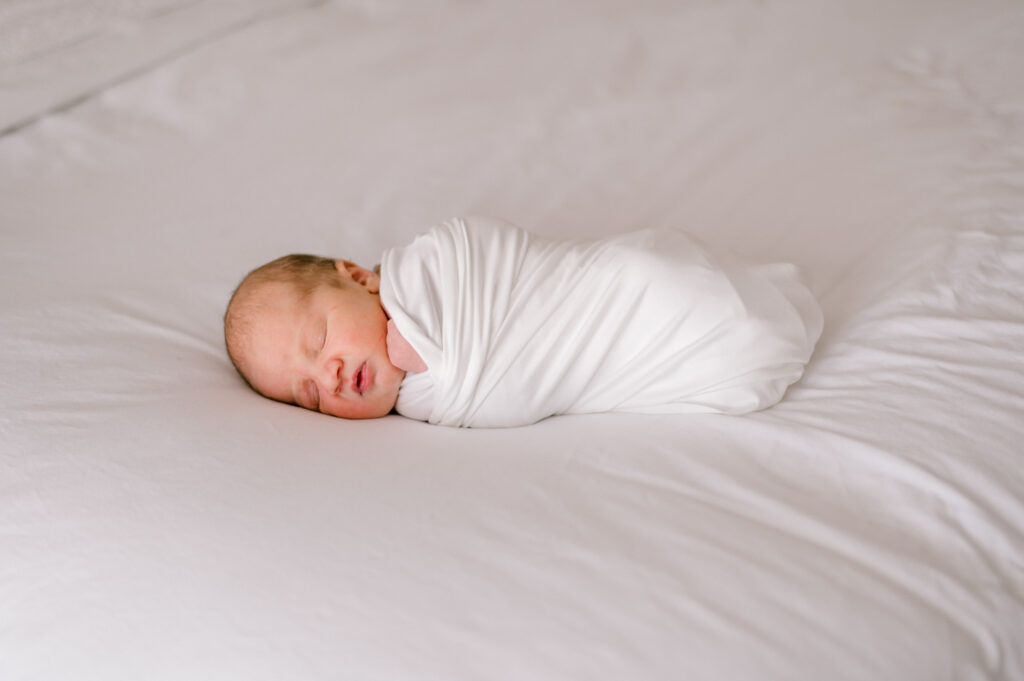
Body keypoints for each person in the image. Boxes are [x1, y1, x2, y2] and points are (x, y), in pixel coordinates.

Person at [224, 216, 823, 427]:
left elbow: (493, 253)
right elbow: (505, 385)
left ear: (358, 277)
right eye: (308, 397)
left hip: (622, 281)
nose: (327, 377)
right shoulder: (424, 401)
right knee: (731, 354)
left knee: (651, 280)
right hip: (629, 357)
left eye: (319, 341)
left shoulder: (438, 265)